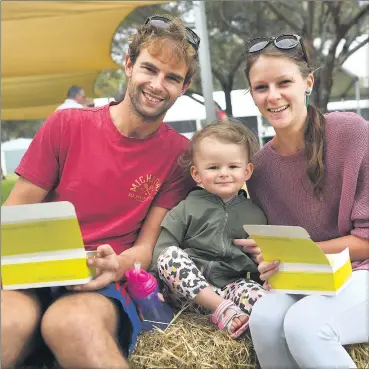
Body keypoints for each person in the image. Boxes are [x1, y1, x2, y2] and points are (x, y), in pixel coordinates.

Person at [1, 16, 200, 369]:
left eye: (172, 78)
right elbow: (15, 218)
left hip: (104, 282)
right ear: (128, 64)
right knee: (7, 325)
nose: (157, 85)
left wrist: (118, 265)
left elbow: (147, 246)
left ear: (183, 87)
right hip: (35, 274)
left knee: (70, 325)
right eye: (149, 69)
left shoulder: (179, 155)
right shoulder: (67, 125)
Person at [234, 34, 369, 368]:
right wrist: (270, 262)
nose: (273, 96)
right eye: (261, 87)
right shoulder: (260, 169)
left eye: (284, 82)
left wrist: (300, 252)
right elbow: (283, 250)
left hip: (362, 272)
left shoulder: (349, 132)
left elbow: (367, 242)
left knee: (305, 324)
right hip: (310, 277)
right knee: (264, 317)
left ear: (307, 83)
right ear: (252, 95)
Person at [150, 119, 267, 339]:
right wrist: (155, 283)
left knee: (264, 300)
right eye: (213, 167)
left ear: (247, 171)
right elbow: (163, 247)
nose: (224, 173)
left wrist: (264, 281)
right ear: (196, 174)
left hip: (229, 288)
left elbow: (260, 260)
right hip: (186, 292)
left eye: (233, 166)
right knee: (170, 256)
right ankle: (222, 309)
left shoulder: (255, 215)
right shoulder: (187, 207)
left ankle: (238, 319)